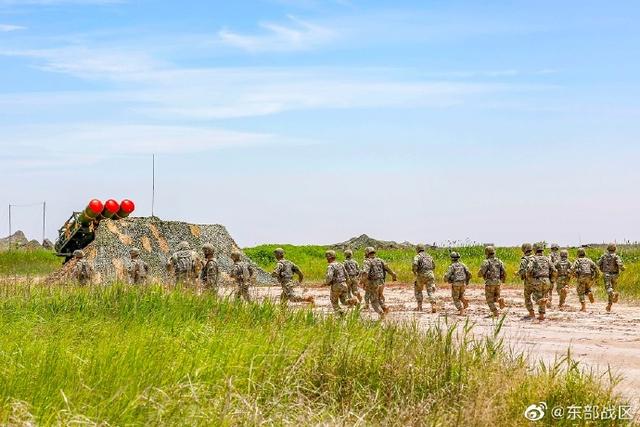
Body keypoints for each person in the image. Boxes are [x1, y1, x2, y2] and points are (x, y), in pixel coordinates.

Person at [360, 246, 397, 319]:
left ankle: (381, 313)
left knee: (373, 301)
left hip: (373, 283)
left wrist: (361, 281)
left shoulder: (367, 261)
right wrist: (393, 275)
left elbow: (365, 273)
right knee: (379, 297)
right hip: (381, 282)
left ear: (367, 253)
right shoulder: (380, 260)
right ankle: (384, 307)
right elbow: (388, 269)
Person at [526, 243, 557, 321]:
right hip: (547, 280)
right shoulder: (547, 259)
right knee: (543, 297)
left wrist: (529, 278)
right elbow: (554, 270)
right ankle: (541, 316)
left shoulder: (533, 259)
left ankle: (542, 302)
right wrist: (552, 281)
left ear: (535, 250)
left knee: (535, 297)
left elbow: (529, 269)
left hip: (537, 280)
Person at [324, 250, 357, 315]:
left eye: (327, 257)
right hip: (344, 284)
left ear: (329, 257)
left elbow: (329, 276)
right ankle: (353, 301)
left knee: (334, 301)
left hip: (336, 285)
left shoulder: (330, 266)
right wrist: (347, 284)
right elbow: (346, 275)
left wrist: (326, 283)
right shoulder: (340, 264)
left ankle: (341, 314)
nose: (326, 259)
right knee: (344, 301)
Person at [477, 245, 506, 317]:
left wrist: (479, 274)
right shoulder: (499, 261)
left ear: (486, 253)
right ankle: (500, 300)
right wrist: (503, 280)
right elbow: (504, 272)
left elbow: (481, 273)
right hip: (498, 283)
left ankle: (495, 313)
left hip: (489, 283)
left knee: (489, 300)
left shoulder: (486, 262)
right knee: (496, 297)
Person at [598, 243, 625, 312]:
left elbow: (598, 263)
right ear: (615, 249)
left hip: (607, 275)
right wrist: (622, 268)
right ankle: (609, 305)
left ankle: (614, 294)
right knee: (611, 289)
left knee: (609, 290)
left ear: (608, 248)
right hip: (615, 275)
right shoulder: (616, 256)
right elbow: (620, 264)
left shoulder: (604, 256)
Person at [412, 244, 437, 313]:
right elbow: (434, 266)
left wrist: (415, 272)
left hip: (421, 275)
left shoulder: (417, 256)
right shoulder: (429, 256)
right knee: (430, 291)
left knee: (418, 290)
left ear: (417, 249)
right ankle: (433, 304)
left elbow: (414, 264)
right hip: (430, 275)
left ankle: (419, 307)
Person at [517, 243, 536, 319]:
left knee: (527, 297)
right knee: (538, 296)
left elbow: (522, 272)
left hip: (528, 281)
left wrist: (518, 274)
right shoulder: (536, 257)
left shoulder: (524, 260)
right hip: (538, 281)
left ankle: (531, 313)